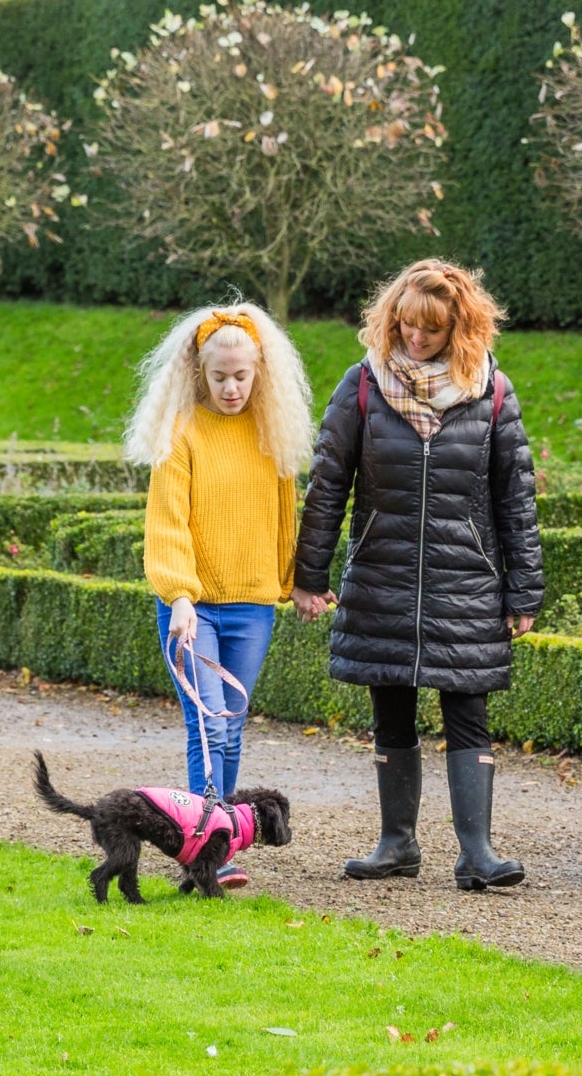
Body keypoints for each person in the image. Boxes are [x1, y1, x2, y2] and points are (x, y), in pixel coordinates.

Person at [293, 259, 545, 891]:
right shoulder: (361, 385)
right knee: (392, 708)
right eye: (405, 325)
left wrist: (524, 588)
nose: (414, 339)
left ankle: (478, 853)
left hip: (467, 580)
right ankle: (396, 844)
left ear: (458, 327)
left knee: (468, 708)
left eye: (430, 330)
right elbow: (328, 487)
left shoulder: (492, 393)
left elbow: (515, 497)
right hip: (383, 573)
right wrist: (309, 574)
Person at [125, 303, 313, 889]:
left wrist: (294, 584)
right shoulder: (180, 434)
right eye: (219, 377)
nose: (231, 388)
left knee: (232, 722)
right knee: (207, 724)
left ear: (260, 372)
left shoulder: (270, 436)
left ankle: (215, 839)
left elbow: (286, 519)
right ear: (197, 374)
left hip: (252, 604)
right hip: (193, 607)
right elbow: (167, 524)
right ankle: (210, 850)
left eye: (242, 376)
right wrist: (180, 595)